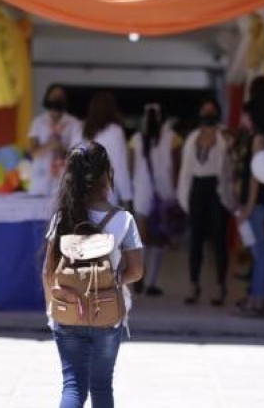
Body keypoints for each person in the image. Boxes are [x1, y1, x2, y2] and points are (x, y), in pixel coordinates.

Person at [42, 141, 144, 408]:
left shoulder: (63, 217)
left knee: (73, 386)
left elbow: (48, 271)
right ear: (107, 174)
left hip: (68, 310)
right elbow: (136, 271)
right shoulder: (123, 220)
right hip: (107, 312)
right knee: (101, 386)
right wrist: (113, 280)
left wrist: (52, 308)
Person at [176, 99, 234, 306]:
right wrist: (183, 193)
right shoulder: (193, 137)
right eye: (204, 111)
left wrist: (229, 142)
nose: (207, 115)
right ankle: (193, 284)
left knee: (219, 239)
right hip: (197, 188)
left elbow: (231, 163)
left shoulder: (224, 136)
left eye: (211, 111)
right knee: (195, 240)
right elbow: (186, 167)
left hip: (217, 189)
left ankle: (220, 285)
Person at [234, 76, 264, 316]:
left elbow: (256, 175)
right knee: (259, 250)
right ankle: (255, 294)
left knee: (259, 251)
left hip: (257, 202)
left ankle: (258, 299)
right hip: (263, 200)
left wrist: (248, 206)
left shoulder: (258, 138)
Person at [129, 103, 181, 296]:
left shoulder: (135, 139)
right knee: (160, 237)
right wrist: (177, 193)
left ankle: (138, 276)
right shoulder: (173, 138)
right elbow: (177, 167)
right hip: (165, 193)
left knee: (141, 237)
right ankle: (152, 283)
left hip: (141, 191)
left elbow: (130, 167)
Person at [76, 91, 133, 209]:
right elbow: (119, 167)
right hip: (105, 196)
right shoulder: (114, 131)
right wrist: (126, 197)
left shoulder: (80, 131)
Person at [28, 84, 82, 196]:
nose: (57, 99)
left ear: (66, 100)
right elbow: (33, 153)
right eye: (54, 96)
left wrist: (60, 147)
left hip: (65, 182)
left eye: (60, 97)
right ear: (47, 98)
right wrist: (51, 145)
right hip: (40, 181)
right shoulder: (38, 122)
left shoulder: (74, 124)